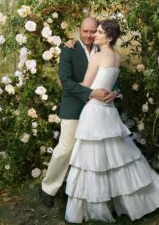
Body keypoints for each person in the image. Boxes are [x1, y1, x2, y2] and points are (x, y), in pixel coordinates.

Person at [64, 20, 159, 223]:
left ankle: (97, 205)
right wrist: (114, 92)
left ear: (108, 37)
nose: (95, 35)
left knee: (94, 161)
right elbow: (108, 83)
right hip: (108, 110)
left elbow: (86, 86)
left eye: (99, 32)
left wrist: (65, 83)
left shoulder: (98, 56)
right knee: (116, 159)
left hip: (95, 111)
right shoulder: (115, 56)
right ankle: (127, 202)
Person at [39, 17, 119, 207]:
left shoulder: (102, 49)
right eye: (86, 31)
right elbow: (65, 82)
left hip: (97, 112)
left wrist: (115, 92)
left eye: (94, 31)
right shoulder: (69, 49)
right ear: (79, 30)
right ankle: (47, 188)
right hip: (74, 107)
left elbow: (109, 76)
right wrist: (92, 93)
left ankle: (75, 190)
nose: (90, 35)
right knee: (65, 149)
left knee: (88, 153)